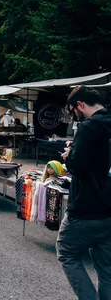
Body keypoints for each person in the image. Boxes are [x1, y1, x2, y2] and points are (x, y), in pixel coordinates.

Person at [59, 85, 111, 299]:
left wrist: (70, 153)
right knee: (106, 268)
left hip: (87, 206)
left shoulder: (89, 127)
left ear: (80, 104)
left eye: (73, 112)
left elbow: (76, 166)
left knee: (66, 253)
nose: (75, 117)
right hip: (109, 209)